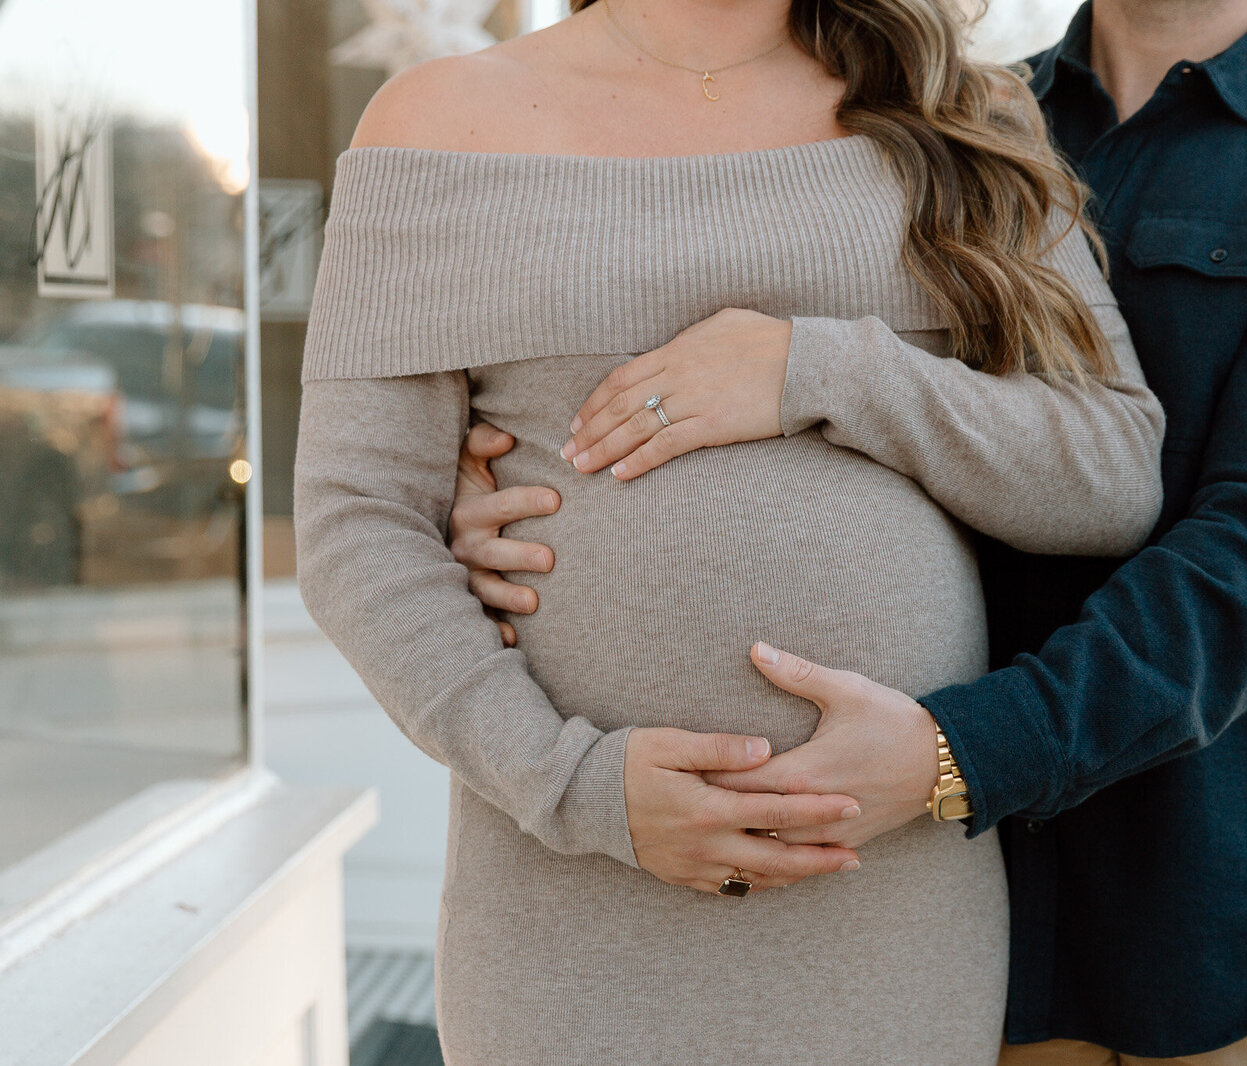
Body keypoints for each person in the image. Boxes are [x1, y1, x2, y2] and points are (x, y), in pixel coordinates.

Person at [447, 0, 1247, 1061]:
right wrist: (537, 494)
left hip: (1226, 892)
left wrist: (957, 753)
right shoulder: (930, 117)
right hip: (960, 908)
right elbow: (747, 367)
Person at [292, 0, 1166, 1059]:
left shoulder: (959, 112)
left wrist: (821, 371)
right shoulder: (434, 124)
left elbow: (1109, 470)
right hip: (566, 910)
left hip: (882, 906)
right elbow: (357, 520)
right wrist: (571, 785)